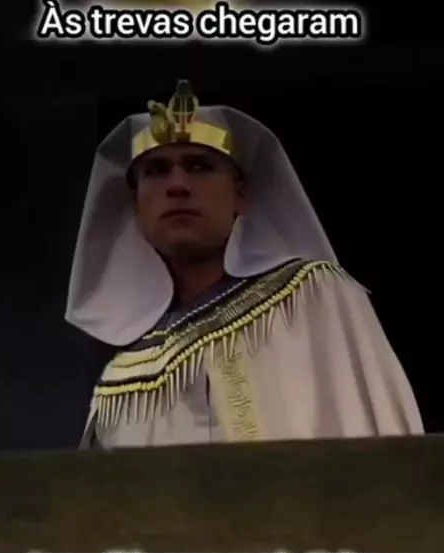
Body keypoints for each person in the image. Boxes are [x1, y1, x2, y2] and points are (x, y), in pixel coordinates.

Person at [67, 80, 423, 449]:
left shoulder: (312, 300)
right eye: (156, 170)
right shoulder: (124, 378)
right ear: (137, 206)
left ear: (242, 195)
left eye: (200, 166)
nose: (177, 185)